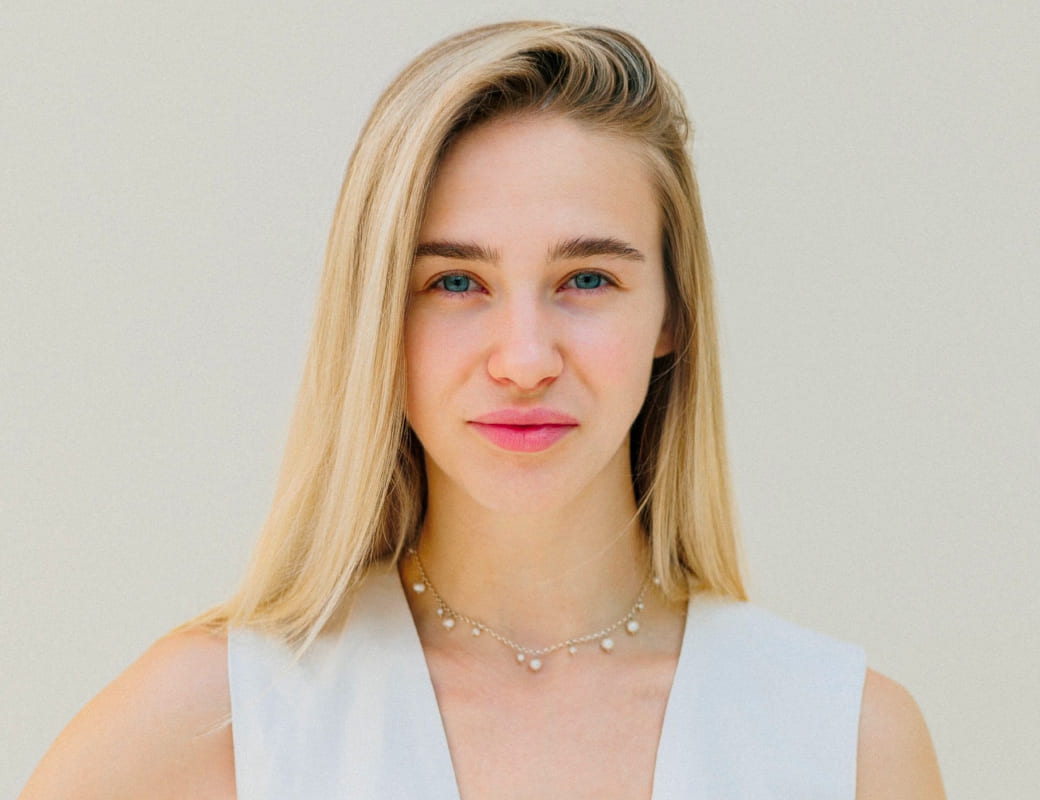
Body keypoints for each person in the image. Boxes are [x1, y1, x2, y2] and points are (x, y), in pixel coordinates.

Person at [20, 21, 945, 799]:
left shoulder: (850, 743)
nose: (525, 360)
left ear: (672, 314)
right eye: (456, 282)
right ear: (378, 320)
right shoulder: (211, 722)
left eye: (588, 278)